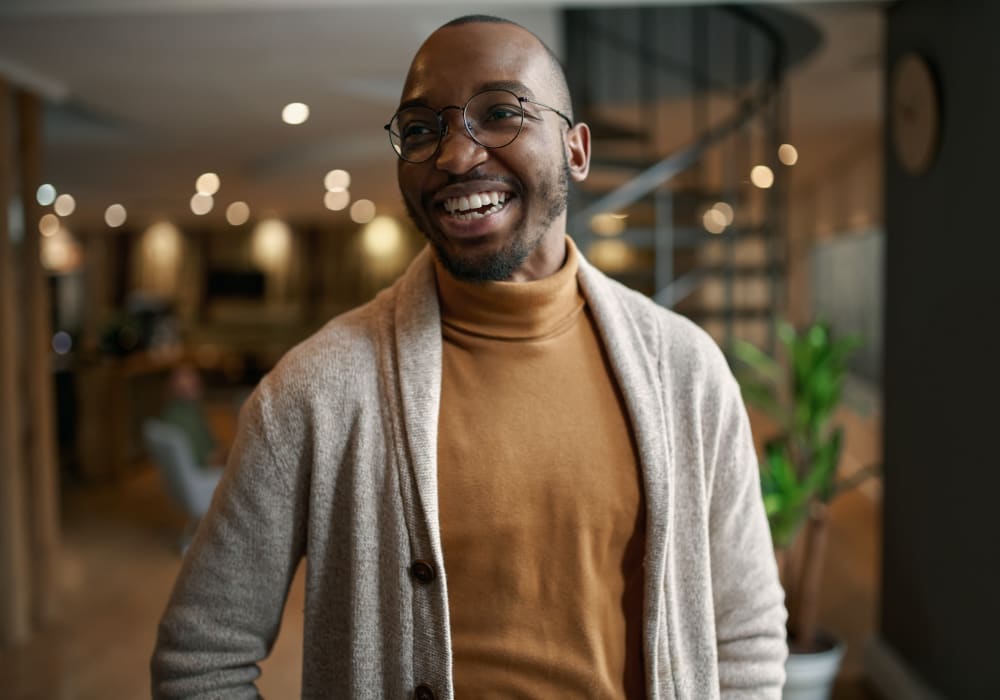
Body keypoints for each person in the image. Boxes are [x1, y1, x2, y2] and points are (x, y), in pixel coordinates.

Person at [151, 15, 787, 699]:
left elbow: (745, 635)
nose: (455, 156)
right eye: (423, 129)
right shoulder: (313, 392)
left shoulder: (686, 372)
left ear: (576, 150)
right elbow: (201, 660)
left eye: (501, 113)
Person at [159, 363, 225, 468]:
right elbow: (203, 458)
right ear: (172, 384)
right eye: (187, 377)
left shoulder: (178, 410)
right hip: (204, 472)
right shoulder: (184, 418)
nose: (195, 380)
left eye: (192, 375)